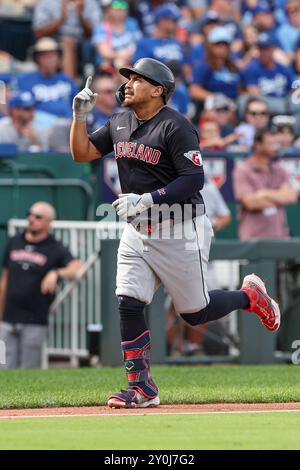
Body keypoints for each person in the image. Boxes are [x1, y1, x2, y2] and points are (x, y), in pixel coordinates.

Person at [70, 57, 281, 409]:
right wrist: (78, 118)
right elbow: (82, 154)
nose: (128, 83)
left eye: (137, 79)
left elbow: (193, 179)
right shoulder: (120, 119)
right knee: (129, 302)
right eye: (128, 78)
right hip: (138, 231)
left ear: (158, 90)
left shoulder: (176, 126)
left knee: (195, 313)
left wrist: (147, 199)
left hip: (181, 228)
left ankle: (249, 297)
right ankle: (141, 388)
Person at [0, 202, 81, 369]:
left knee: (28, 374)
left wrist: (56, 273)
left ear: (48, 222)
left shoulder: (55, 247)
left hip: (34, 321)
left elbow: (76, 267)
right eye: (30, 214)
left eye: (38, 217)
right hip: (7, 320)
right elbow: (5, 280)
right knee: (4, 371)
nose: (31, 219)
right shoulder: (14, 241)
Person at [233, 126, 298, 241]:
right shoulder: (243, 169)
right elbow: (250, 203)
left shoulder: (279, 169)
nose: (275, 147)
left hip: (280, 236)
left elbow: (291, 196)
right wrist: (279, 195)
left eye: (276, 144)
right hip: (253, 238)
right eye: (270, 144)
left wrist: (264, 194)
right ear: (258, 145)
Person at [33, 0, 102, 78]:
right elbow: (38, 33)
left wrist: (80, 16)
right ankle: (70, 84)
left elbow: (96, 33)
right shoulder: (47, 2)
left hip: (84, 43)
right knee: (67, 41)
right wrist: (61, 19)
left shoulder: (90, 2)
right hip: (55, 41)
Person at [14, 37, 78, 120]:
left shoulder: (67, 80)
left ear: (59, 59)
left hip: (67, 124)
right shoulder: (25, 80)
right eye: (45, 56)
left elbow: (78, 106)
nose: (49, 60)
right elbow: (5, 89)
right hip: (38, 125)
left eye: (52, 56)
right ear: (37, 59)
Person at [92, 0, 141, 72]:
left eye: (124, 7)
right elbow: (105, 52)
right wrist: (122, 55)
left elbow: (139, 44)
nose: (121, 10)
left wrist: (127, 56)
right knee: (119, 63)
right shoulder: (101, 28)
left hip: (131, 61)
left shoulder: (132, 23)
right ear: (108, 9)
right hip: (110, 67)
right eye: (116, 8)